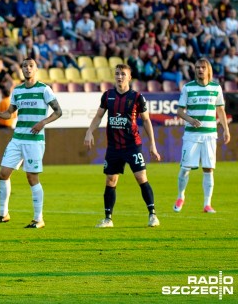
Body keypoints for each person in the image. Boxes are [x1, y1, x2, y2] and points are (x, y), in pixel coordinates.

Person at [0, 58, 62, 229]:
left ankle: (38, 219)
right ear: (21, 70)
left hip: (34, 140)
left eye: (30, 66)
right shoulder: (17, 91)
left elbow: (58, 112)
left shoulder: (44, 89)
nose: (27, 69)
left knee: (32, 177)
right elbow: (10, 113)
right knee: (3, 174)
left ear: (36, 69)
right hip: (17, 138)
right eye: (24, 66)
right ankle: (3, 214)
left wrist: (43, 122)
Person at [84, 64, 162, 228]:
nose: (120, 77)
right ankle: (108, 219)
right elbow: (99, 116)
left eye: (123, 74)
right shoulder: (107, 96)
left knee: (141, 177)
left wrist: (152, 145)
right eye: (117, 74)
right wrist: (89, 131)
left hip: (132, 145)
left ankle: (152, 215)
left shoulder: (137, 97)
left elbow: (146, 120)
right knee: (111, 180)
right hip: (113, 147)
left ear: (129, 77)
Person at [173, 58, 231, 213]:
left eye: (202, 68)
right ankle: (180, 196)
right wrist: (191, 120)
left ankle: (207, 204)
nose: (200, 70)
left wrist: (226, 129)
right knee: (185, 168)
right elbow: (179, 111)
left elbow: (220, 110)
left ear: (208, 70)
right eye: (197, 67)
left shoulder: (216, 88)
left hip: (210, 135)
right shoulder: (188, 88)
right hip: (192, 135)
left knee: (208, 168)